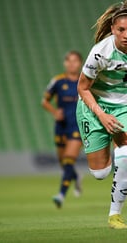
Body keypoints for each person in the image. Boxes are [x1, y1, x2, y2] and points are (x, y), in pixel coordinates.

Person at [76, 0, 127, 229]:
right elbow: (82, 88)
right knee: (100, 173)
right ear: (112, 30)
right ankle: (104, 149)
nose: (125, 34)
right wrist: (101, 116)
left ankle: (115, 216)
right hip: (94, 106)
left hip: (124, 107)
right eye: (120, 30)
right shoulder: (100, 53)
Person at [42, 51, 84, 208]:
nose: (72, 64)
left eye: (75, 61)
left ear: (80, 63)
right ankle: (76, 176)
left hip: (77, 126)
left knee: (68, 159)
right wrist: (54, 111)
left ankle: (61, 195)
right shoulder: (58, 81)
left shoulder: (85, 80)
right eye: (69, 61)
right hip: (61, 127)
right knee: (64, 163)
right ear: (65, 63)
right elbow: (44, 101)